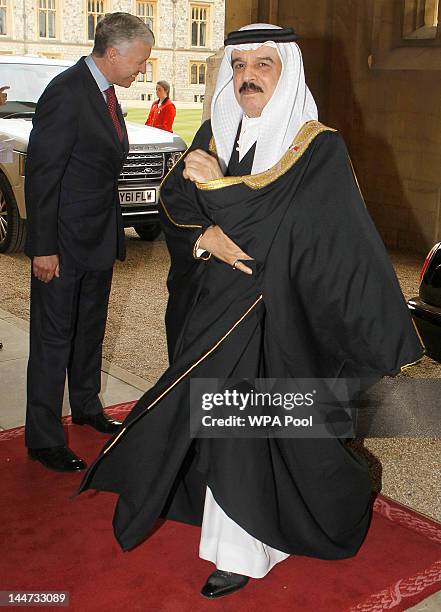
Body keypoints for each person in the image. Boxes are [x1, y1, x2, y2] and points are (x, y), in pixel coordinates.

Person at [79, 23, 423, 598]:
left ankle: (245, 548)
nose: (248, 76)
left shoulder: (318, 147)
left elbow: (307, 235)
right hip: (216, 314)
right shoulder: (217, 131)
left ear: (287, 71)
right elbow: (174, 199)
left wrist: (218, 193)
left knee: (262, 431)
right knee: (227, 430)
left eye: (264, 64)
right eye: (239, 65)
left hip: (284, 320)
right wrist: (204, 234)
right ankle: (240, 539)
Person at [24, 13, 154, 472]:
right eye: (140, 62)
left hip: (98, 240)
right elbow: (42, 176)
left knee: (89, 332)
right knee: (53, 340)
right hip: (60, 244)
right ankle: (42, 438)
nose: (143, 70)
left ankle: (85, 406)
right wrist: (42, 247)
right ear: (113, 53)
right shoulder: (66, 92)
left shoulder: (105, 94)